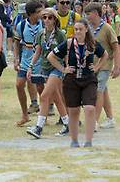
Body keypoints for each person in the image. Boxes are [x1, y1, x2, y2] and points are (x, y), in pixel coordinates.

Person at [48, 19, 108, 147]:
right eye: (76, 29)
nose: (78, 32)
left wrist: (97, 67)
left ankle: (88, 141)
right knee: (73, 111)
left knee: (89, 108)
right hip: (72, 79)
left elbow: (105, 55)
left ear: (86, 29)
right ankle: (74, 140)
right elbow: (51, 56)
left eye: (80, 29)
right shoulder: (69, 43)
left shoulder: (92, 44)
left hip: (88, 78)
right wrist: (63, 69)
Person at [26, 8, 70, 138]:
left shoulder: (60, 34)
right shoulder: (40, 34)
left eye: (50, 17)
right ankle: (68, 124)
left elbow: (66, 52)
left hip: (57, 67)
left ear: (55, 19)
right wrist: (30, 66)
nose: (46, 20)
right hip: (45, 68)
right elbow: (38, 52)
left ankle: (38, 128)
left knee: (45, 96)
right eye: (44, 17)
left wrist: (67, 68)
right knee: (56, 97)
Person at [84, 2, 120, 130]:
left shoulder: (107, 28)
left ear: (95, 13)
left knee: (98, 91)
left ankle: (94, 121)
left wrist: (117, 67)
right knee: (103, 92)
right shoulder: (88, 28)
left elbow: (116, 48)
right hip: (92, 65)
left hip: (105, 65)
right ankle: (110, 119)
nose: (86, 16)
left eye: (88, 14)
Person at [13, 0, 44, 126]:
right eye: (38, 12)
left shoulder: (44, 23)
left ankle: (43, 113)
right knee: (19, 84)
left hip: (40, 60)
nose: (41, 14)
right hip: (26, 58)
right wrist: (16, 58)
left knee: (41, 88)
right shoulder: (21, 25)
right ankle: (25, 114)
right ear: (30, 14)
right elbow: (16, 42)